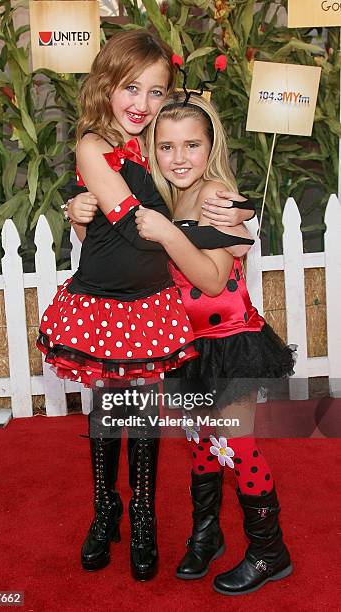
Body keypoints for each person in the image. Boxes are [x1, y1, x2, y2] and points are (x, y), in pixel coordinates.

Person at [37, 31, 254, 581]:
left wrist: (225, 220)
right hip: (103, 307)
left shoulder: (154, 153)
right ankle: (105, 509)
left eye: (157, 93)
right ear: (105, 87)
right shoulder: (92, 144)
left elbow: (179, 200)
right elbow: (134, 232)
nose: (143, 104)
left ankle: (142, 516)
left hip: (146, 306)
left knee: (143, 415)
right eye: (130, 88)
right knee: (109, 414)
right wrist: (208, 232)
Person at [134, 93, 295, 595]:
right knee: (202, 443)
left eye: (191, 145)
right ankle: (208, 533)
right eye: (167, 146)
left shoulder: (213, 194)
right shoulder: (171, 196)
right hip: (190, 345)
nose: (179, 157)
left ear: (211, 147)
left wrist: (166, 233)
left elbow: (209, 279)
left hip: (229, 343)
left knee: (236, 446)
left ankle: (270, 551)